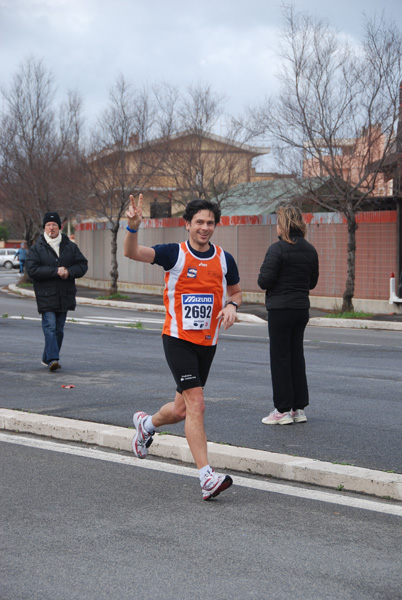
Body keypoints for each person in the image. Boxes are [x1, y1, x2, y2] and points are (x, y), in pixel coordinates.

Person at [124, 194, 242, 500]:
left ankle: (145, 425)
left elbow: (237, 292)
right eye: (199, 222)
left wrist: (232, 306)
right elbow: (133, 253)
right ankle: (206, 477)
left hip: (208, 343)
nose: (205, 228)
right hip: (177, 339)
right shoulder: (173, 254)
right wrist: (133, 228)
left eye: (210, 223)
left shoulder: (223, 259)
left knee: (180, 410)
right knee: (197, 404)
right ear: (187, 224)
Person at [258, 204, 319, 425]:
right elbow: (312, 282)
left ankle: (282, 410)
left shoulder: (277, 249)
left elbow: (264, 281)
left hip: (280, 310)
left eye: (277, 222)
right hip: (301, 309)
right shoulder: (310, 249)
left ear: (283, 224)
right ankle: (298, 409)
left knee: (280, 358)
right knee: (296, 357)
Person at [26, 212, 88, 371]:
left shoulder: (70, 246)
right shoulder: (37, 248)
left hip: (65, 295)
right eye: (48, 225)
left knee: (59, 330)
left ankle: (47, 357)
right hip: (46, 296)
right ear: (44, 228)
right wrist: (55, 271)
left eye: (54, 225)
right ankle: (53, 358)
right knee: (50, 326)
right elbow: (32, 270)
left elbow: (82, 265)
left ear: (59, 227)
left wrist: (69, 271)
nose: (51, 228)